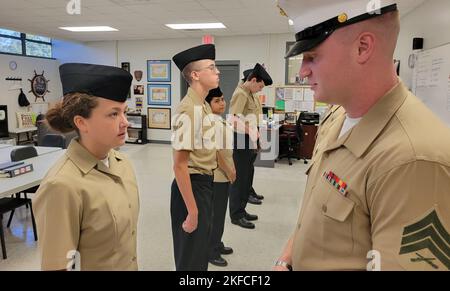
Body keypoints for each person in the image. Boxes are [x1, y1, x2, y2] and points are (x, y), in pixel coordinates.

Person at [274, 0, 450, 271]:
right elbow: (313, 213)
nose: (302, 72)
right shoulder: (339, 116)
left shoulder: (413, 158)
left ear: (363, 47)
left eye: (311, 56)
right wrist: (286, 259)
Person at [33, 63, 139, 271]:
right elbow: (57, 266)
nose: (125, 122)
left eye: (124, 112)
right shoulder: (62, 185)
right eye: (113, 114)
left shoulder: (122, 164)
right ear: (82, 123)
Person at [171, 44, 220, 271]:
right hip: (191, 186)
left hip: (204, 183)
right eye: (212, 67)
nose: (217, 71)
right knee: (190, 257)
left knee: (199, 252)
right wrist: (192, 210)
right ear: (195, 75)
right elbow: (179, 165)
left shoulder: (203, 106)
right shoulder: (188, 109)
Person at [228, 63, 273, 229]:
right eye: (260, 86)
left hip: (249, 138)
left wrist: (257, 139)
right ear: (253, 80)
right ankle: (236, 215)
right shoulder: (241, 94)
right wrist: (251, 133)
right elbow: (233, 120)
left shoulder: (250, 92)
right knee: (239, 179)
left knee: (247, 176)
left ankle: (242, 209)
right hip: (241, 139)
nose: (260, 89)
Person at [205, 87, 236, 267]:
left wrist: (232, 168)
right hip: (217, 175)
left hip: (224, 174)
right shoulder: (211, 122)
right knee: (215, 216)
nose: (222, 103)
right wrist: (229, 170)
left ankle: (218, 242)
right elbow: (215, 153)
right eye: (217, 101)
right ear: (208, 104)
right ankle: (211, 250)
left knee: (220, 213)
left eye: (223, 99)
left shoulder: (219, 120)